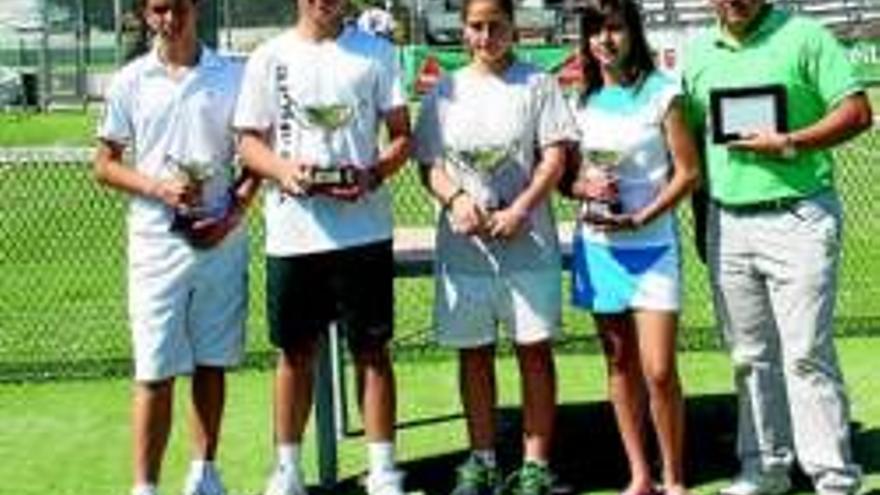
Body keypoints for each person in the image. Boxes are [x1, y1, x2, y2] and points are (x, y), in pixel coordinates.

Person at [681, 1, 873, 494]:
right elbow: (687, 137)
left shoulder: (806, 36)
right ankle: (766, 469)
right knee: (748, 354)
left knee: (806, 352)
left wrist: (789, 142)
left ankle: (833, 477)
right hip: (728, 221)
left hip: (798, 214)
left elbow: (856, 112)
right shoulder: (698, 51)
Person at [232, 0, 412, 492]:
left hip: (364, 231)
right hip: (294, 234)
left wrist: (372, 173)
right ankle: (288, 468)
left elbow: (401, 136)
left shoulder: (376, 52)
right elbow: (248, 143)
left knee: (372, 350)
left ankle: (382, 468)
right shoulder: (269, 56)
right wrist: (284, 171)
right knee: (294, 353)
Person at [94, 0, 258, 494]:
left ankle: (204, 474)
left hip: (221, 239)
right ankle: (145, 486)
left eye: (179, 6)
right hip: (155, 244)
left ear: (197, 8)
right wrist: (158, 188)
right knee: (155, 368)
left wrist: (232, 213)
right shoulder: (130, 80)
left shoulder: (233, 74)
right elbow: (104, 164)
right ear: (147, 15)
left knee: (212, 361)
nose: (171, 18)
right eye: (160, 8)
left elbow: (253, 158)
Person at [413, 0, 578, 492]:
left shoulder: (538, 84)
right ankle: (482, 459)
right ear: (464, 31)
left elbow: (554, 158)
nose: (486, 36)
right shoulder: (445, 89)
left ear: (513, 28)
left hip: (528, 243)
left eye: (495, 26)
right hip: (466, 250)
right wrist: (457, 199)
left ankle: (535, 465)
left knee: (533, 351)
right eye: (476, 27)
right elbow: (429, 163)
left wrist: (521, 208)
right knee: (474, 354)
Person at [562, 1, 701, 495]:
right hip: (598, 248)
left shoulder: (663, 95)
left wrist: (644, 215)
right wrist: (585, 190)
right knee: (619, 362)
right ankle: (640, 475)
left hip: (653, 248)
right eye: (595, 30)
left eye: (614, 28)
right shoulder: (579, 102)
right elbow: (566, 179)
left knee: (660, 370)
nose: (605, 39)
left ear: (633, 32)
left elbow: (688, 172)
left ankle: (674, 476)